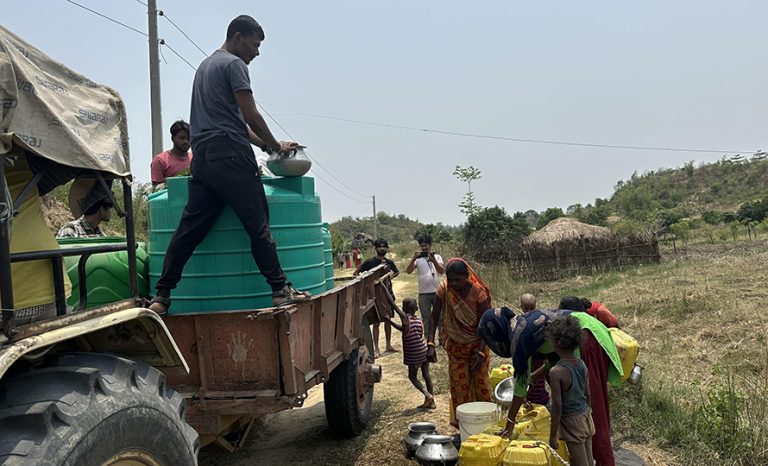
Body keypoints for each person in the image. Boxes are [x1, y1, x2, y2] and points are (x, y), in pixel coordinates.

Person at [149, 15, 309, 313]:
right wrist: (275, 146)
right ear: (237, 37)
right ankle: (279, 289)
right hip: (232, 156)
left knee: (189, 229)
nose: (257, 52)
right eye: (255, 44)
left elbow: (232, 121)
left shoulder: (205, 67)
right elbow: (250, 115)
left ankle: (162, 295)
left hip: (205, 157)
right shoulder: (235, 65)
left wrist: (267, 145)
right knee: (258, 223)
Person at [478, 307, 622, 466]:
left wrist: (510, 424)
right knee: (594, 428)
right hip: (584, 415)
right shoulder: (577, 363)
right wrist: (531, 380)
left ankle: (607, 462)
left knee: (593, 431)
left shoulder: (520, 338)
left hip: (588, 334)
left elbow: (524, 384)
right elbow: (586, 393)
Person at [426, 258, 492, 427]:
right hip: (456, 348)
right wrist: (430, 343)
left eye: (457, 279)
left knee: (482, 386)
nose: (453, 283)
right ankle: (464, 427)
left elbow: (487, 324)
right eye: (450, 279)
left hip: (479, 346)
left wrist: (480, 352)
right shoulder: (444, 290)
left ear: (467, 276)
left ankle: (486, 425)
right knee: (459, 388)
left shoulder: (479, 293)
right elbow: (434, 318)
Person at [548, 316, 595, 466]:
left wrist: (553, 435)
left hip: (571, 421)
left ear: (555, 343)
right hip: (585, 415)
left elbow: (557, 407)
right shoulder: (581, 364)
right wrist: (588, 411)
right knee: (589, 461)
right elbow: (588, 394)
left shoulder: (556, 372)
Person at [383, 295, 435, 409]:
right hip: (424, 350)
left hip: (414, 353)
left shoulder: (405, 318)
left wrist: (383, 287)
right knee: (426, 375)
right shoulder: (418, 320)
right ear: (416, 308)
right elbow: (404, 329)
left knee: (412, 376)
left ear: (404, 309)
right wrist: (389, 322)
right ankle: (431, 402)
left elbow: (392, 304)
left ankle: (427, 395)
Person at [354, 239, 399, 357]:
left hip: (387, 295)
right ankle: (376, 349)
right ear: (376, 248)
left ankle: (388, 345)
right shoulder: (369, 262)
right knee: (377, 322)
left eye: (384, 247)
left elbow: (396, 272)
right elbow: (356, 273)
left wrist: (387, 279)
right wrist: (369, 283)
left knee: (388, 320)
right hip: (374, 297)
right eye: (380, 247)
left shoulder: (389, 262)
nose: (382, 249)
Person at [406, 235, 445, 339]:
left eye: (426, 245)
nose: (424, 248)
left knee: (440, 316)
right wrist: (414, 258)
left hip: (437, 291)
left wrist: (433, 261)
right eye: (422, 246)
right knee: (426, 317)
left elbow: (441, 271)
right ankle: (429, 338)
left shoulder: (437, 257)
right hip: (423, 293)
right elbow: (408, 271)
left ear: (430, 245)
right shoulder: (418, 259)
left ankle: (441, 337)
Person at [520, 293, 550, 407]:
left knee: (538, 380)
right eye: (526, 308)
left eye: (531, 308)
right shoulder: (519, 321)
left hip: (539, 356)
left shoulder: (540, 320)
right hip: (525, 357)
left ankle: (542, 401)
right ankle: (526, 399)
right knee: (527, 380)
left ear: (536, 306)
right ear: (521, 307)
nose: (528, 311)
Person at [150, 120, 193, 186]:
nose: (186, 142)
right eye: (182, 138)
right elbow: (157, 190)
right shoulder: (160, 160)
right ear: (173, 139)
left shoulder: (194, 159)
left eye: (188, 139)